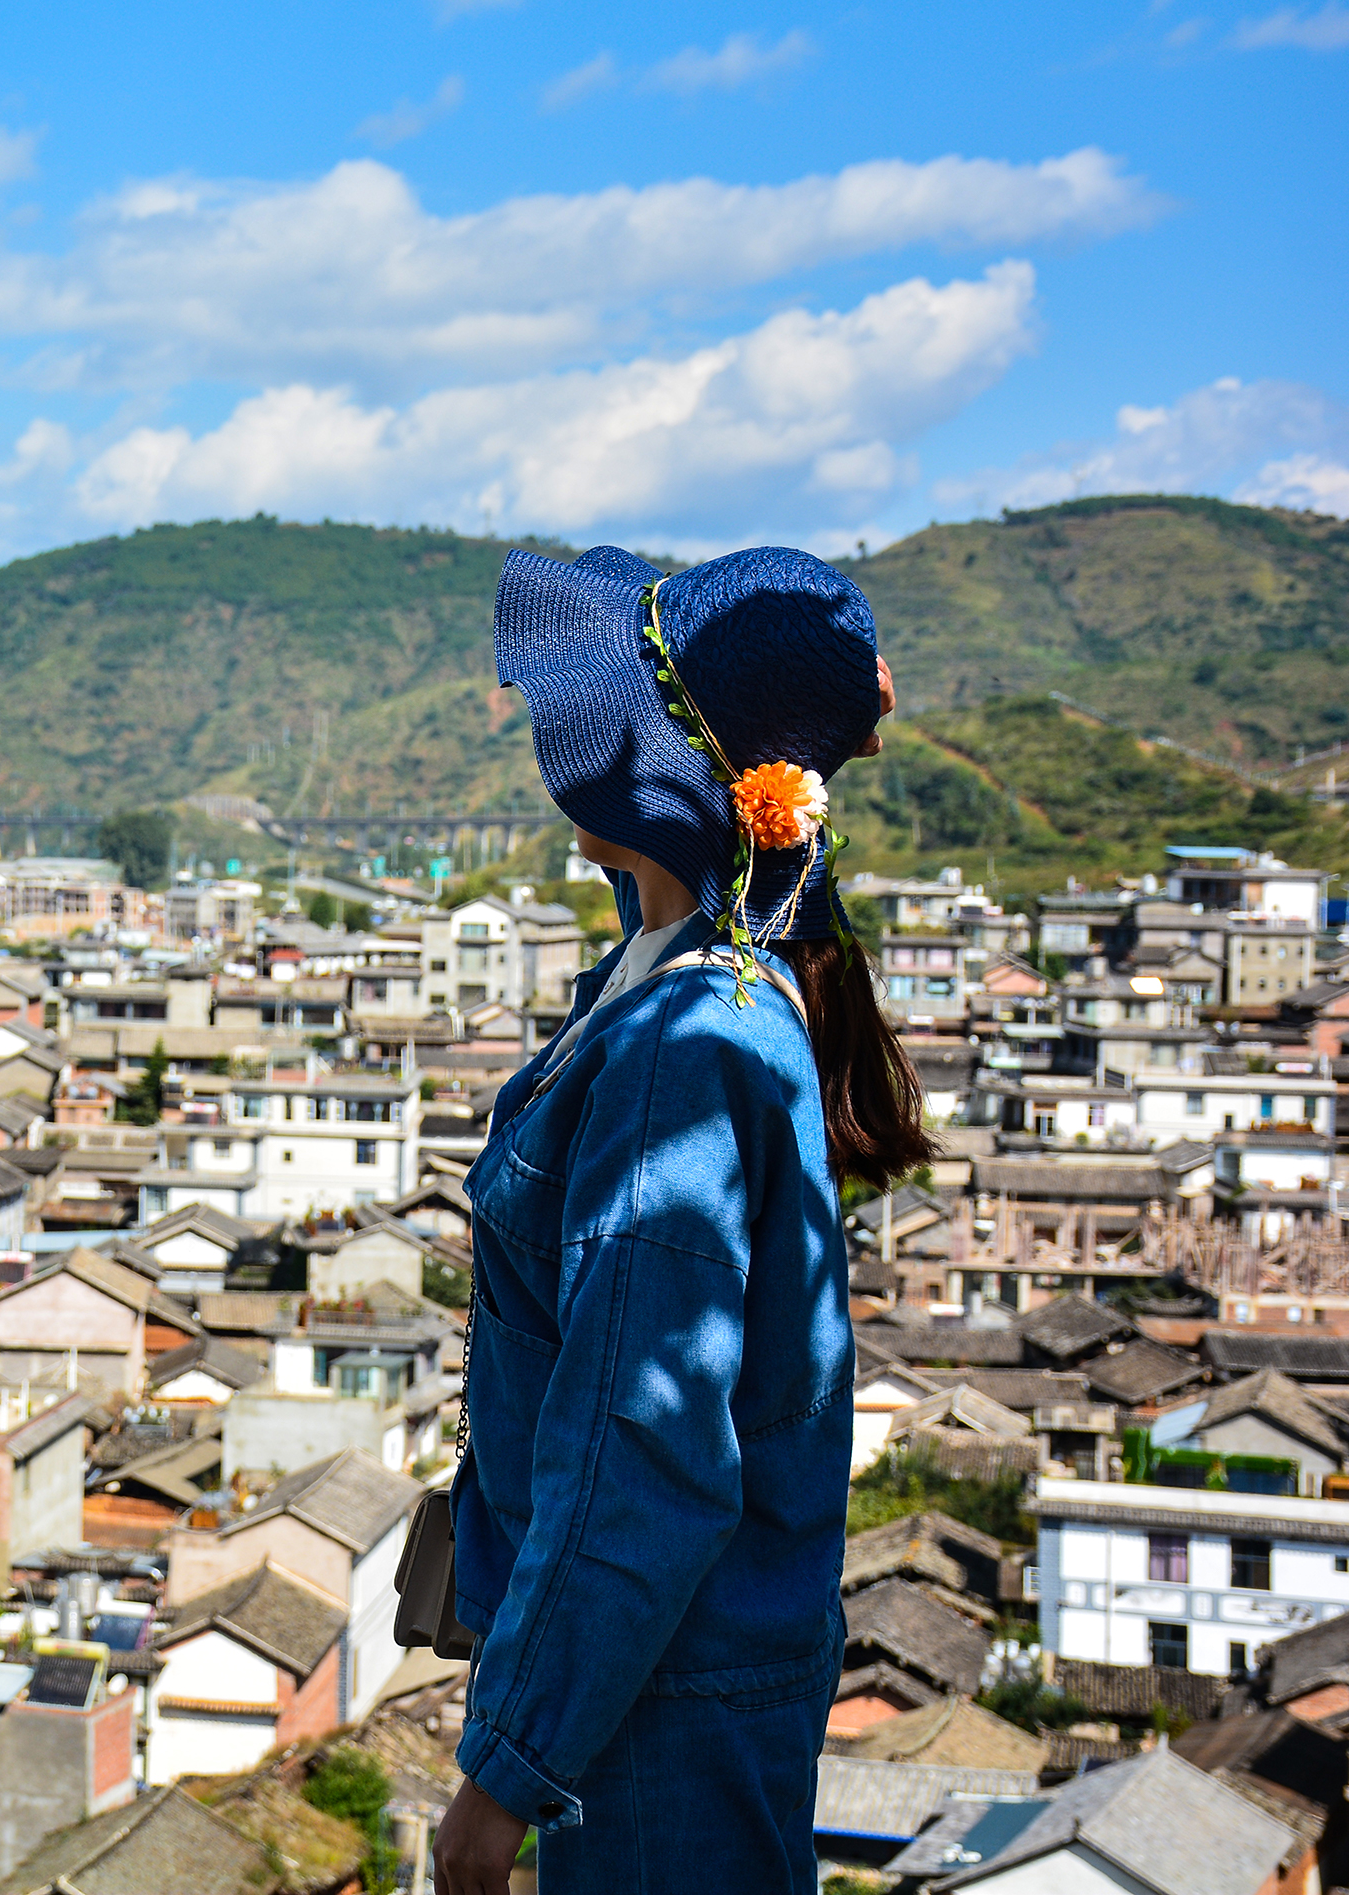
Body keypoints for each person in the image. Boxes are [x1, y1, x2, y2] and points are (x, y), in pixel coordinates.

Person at [432, 544, 933, 1895]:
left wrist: (503, 1776)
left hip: (654, 1719)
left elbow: (642, 1451)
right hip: (671, 1686)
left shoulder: (685, 1041)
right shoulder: (668, 976)